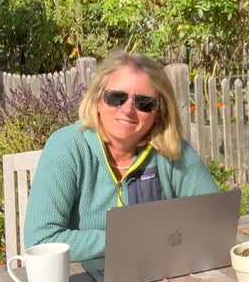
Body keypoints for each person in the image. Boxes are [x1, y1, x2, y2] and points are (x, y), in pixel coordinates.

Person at [24, 51, 218, 261]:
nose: (127, 110)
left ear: (159, 112)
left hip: (157, 275)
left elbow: (214, 218)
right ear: (98, 101)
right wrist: (127, 239)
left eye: (144, 103)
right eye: (116, 97)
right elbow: (41, 240)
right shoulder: (67, 146)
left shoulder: (171, 150)